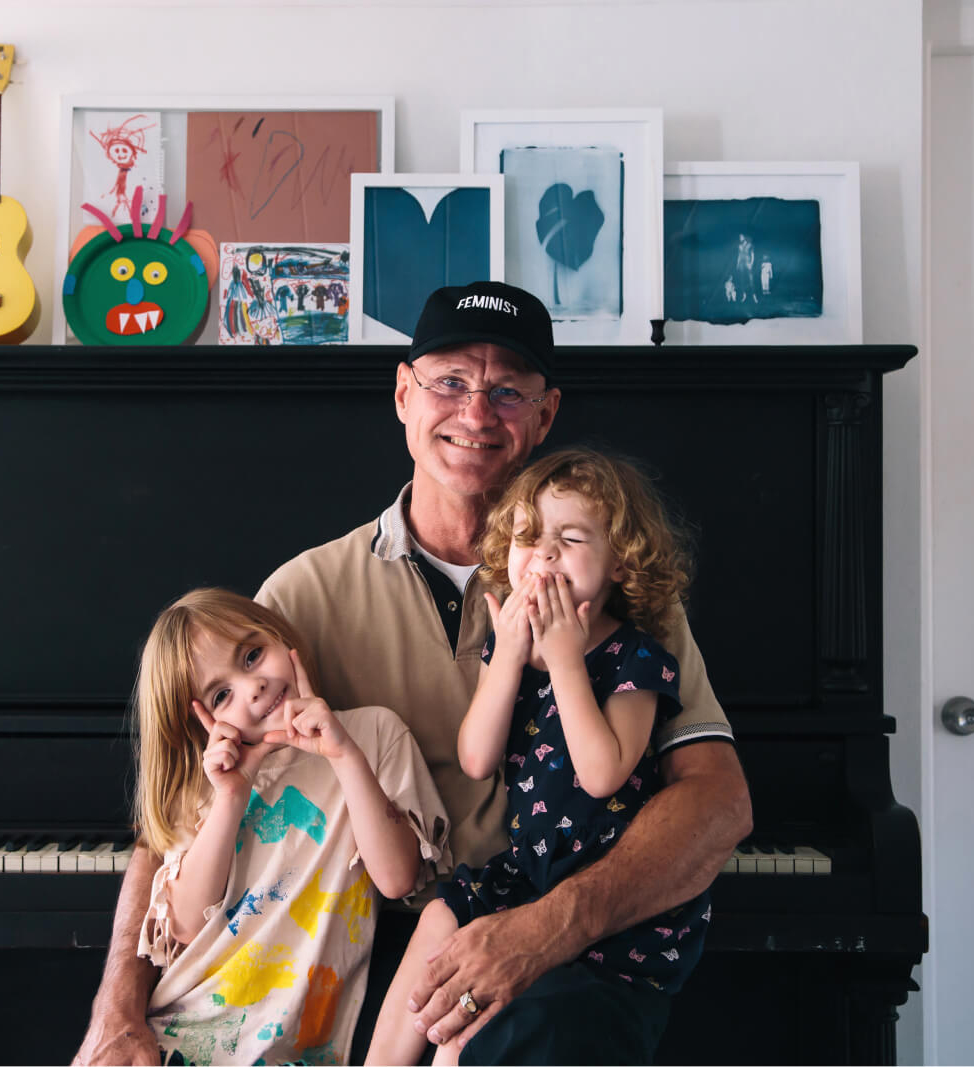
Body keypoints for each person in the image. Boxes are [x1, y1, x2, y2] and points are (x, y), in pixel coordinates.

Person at [74, 280, 752, 1066]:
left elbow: (719, 798)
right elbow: (182, 806)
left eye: (507, 391)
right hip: (355, 946)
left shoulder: (615, 586)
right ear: (403, 394)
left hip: (565, 938)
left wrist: (554, 923)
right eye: (450, 383)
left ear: (545, 414)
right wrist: (117, 1001)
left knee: (532, 1034)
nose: (476, 413)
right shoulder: (300, 599)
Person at [366, 448, 713, 1065]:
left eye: (571, 538)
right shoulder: (511, 651)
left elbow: (603, 772)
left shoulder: (637, 657)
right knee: (440, 924)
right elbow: (476, 758)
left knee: (477, 1026)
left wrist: (565, 660)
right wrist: (507, 658)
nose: (545, 554)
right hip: (530, 869)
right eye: (528, 539)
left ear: (619, 565)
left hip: (605, 889)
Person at [126, 588, 448, 1064]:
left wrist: (342, 754)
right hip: (186, 1031)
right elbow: (186, 926)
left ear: (281, 638)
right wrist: (232, 796)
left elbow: (398, 878)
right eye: (221, 695)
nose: (253, 686)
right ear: (204, 723)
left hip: (299, 1044)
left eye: (253, 655)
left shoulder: (373, 735)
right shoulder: (206, 786)